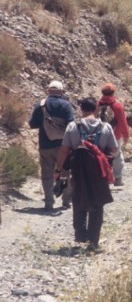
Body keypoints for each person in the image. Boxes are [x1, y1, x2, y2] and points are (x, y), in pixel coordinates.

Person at [56, 97, 117, 251]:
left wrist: (59, 169)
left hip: (78, 169)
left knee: (78, 198)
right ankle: (93, 241)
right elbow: (114, 150)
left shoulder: (72, 126)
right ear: (96, 108)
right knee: (97, 202)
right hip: (99, 170)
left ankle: (80, 235)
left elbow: (64, 150)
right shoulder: (106, 127)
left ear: (81, 109)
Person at [29, 80, 76, 210]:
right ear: (61, 91)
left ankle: (49, 202)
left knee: (47, 173)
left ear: (48, 91)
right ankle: (66, 201)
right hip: (64, 146)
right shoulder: (66, 105)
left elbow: (32, 124)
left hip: (45, 145)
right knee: (66, 172)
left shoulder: (40, 106)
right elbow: (71, 125)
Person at [98, 84, 130, 185]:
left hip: (100, 135)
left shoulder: (97, 104)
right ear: (113, 93)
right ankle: (118, 179)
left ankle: (104, 178)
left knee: (101, 155)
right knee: (117, 155)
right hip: (115, 135)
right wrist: (126, 135)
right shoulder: (117, 106)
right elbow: (123, 122)